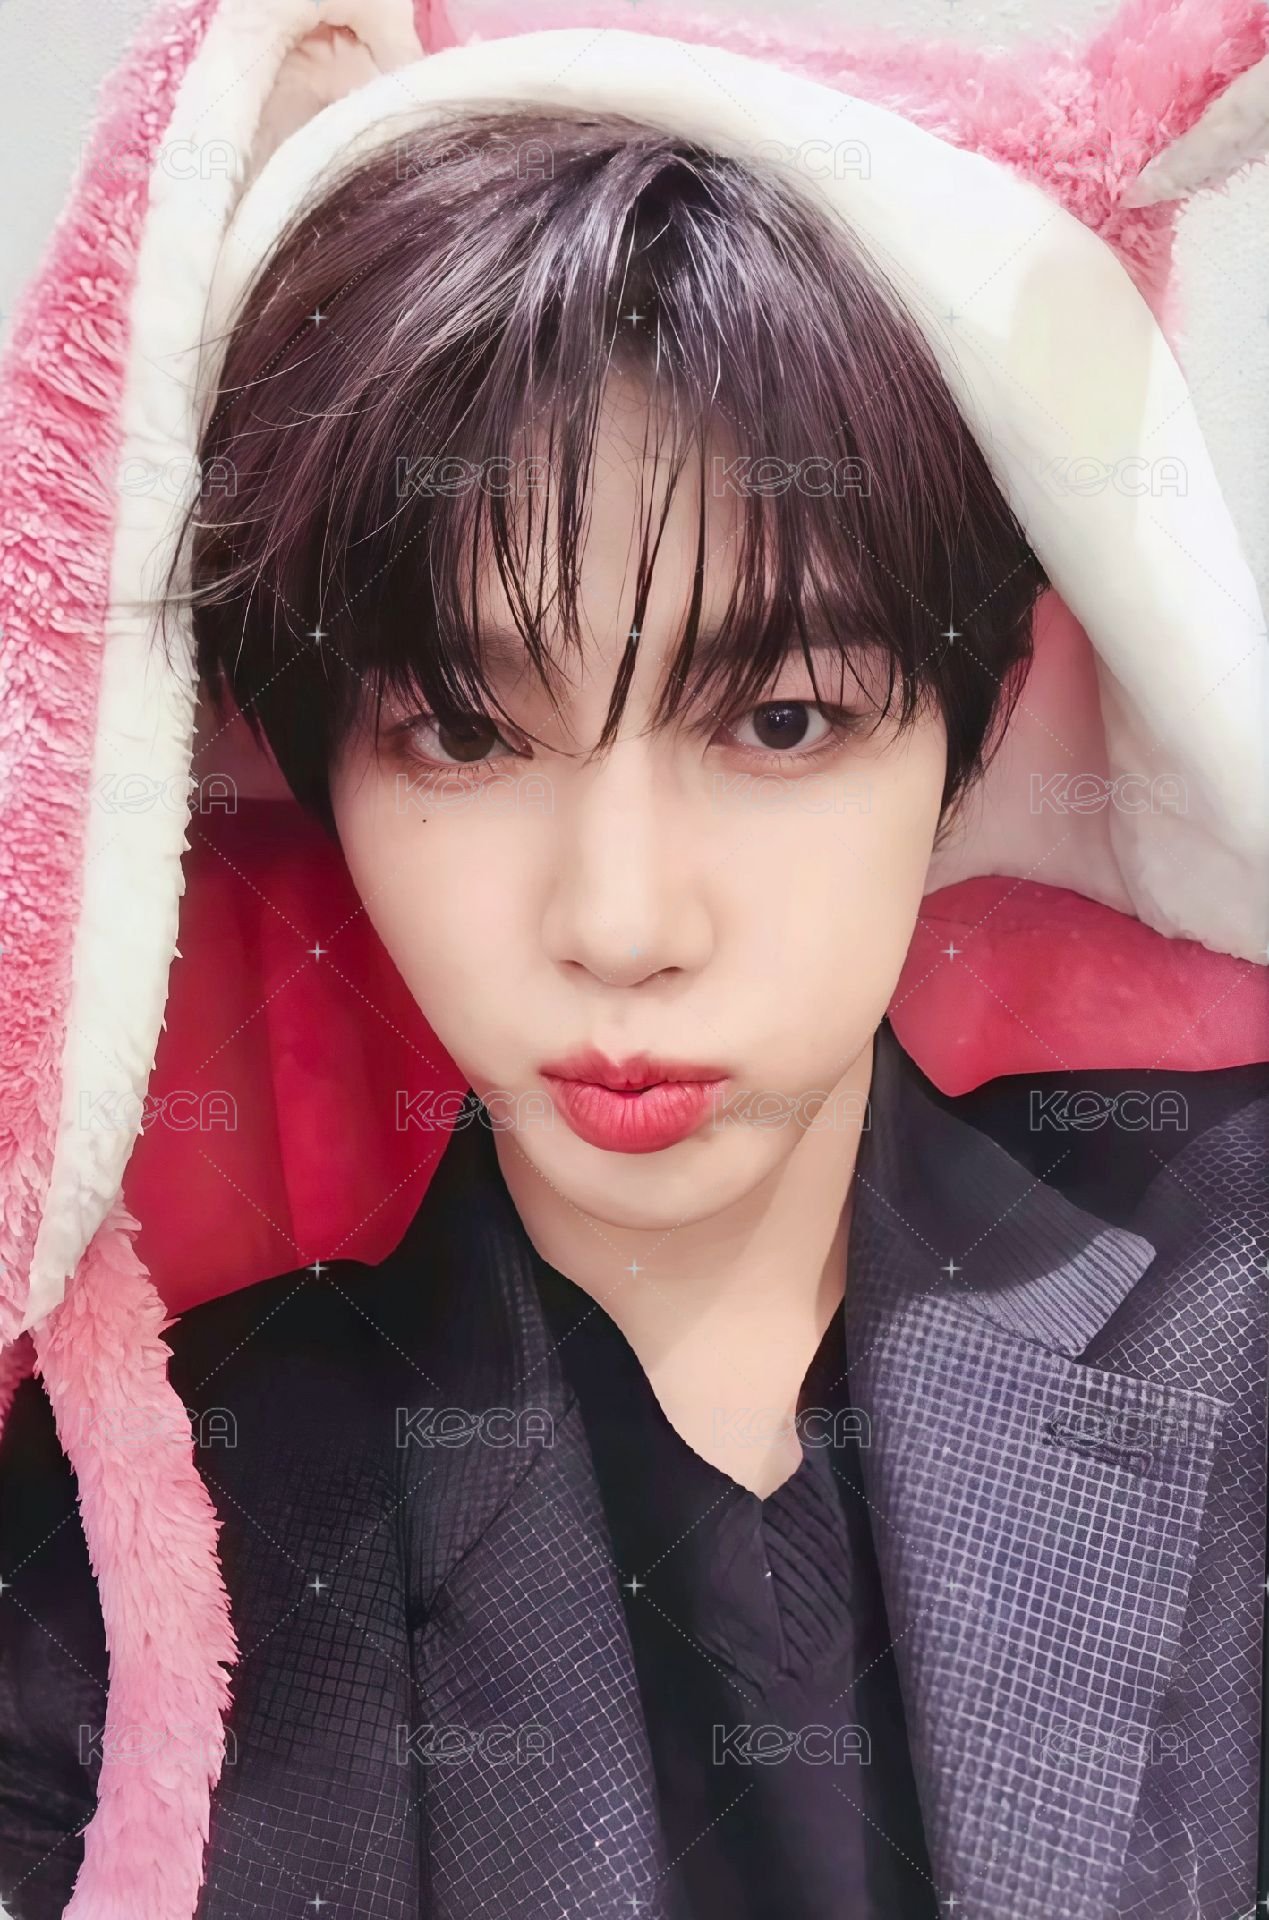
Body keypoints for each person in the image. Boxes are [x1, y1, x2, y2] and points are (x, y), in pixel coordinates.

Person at [0, 10, 1265, 1920]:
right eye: (461, 733)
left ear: (974, 716)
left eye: (776, 721)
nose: (620, 921)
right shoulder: (148, 1536)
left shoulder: (1236, 1282)